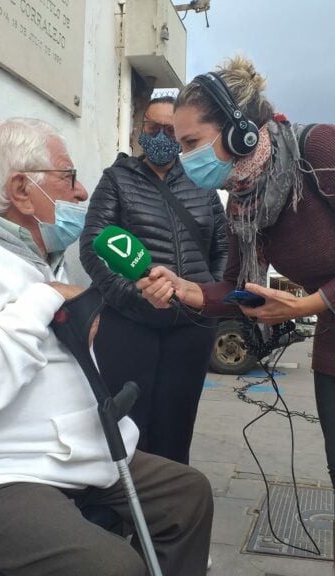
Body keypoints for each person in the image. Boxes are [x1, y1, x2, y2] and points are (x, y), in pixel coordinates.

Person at [137, 57, 335, 576]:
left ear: (240, 131)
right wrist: (186, 290)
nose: (183, 157)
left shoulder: (324, 148)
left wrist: (309, 305)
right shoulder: (244, 198)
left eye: (191, 142)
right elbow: (242, 287)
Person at [0, 118, 213, 576]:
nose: (82, 193)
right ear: (21, 190)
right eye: (69, 177)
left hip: (61, 456)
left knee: (188, 494)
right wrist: (44, 301)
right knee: (112, 567)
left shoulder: (33, 260)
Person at [79, 96, 228, 465]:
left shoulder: (201, 182)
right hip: (131, 325)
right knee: (130, 429)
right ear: (139, 130)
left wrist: (207, 294)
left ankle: (170, 509)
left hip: (191, 328)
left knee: (177, 428)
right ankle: (125, 514)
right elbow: (94, 245)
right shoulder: (117, 179)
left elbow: (225, 248)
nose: (161, 136)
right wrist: (136, 295)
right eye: (152, 128)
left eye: (169, 130)